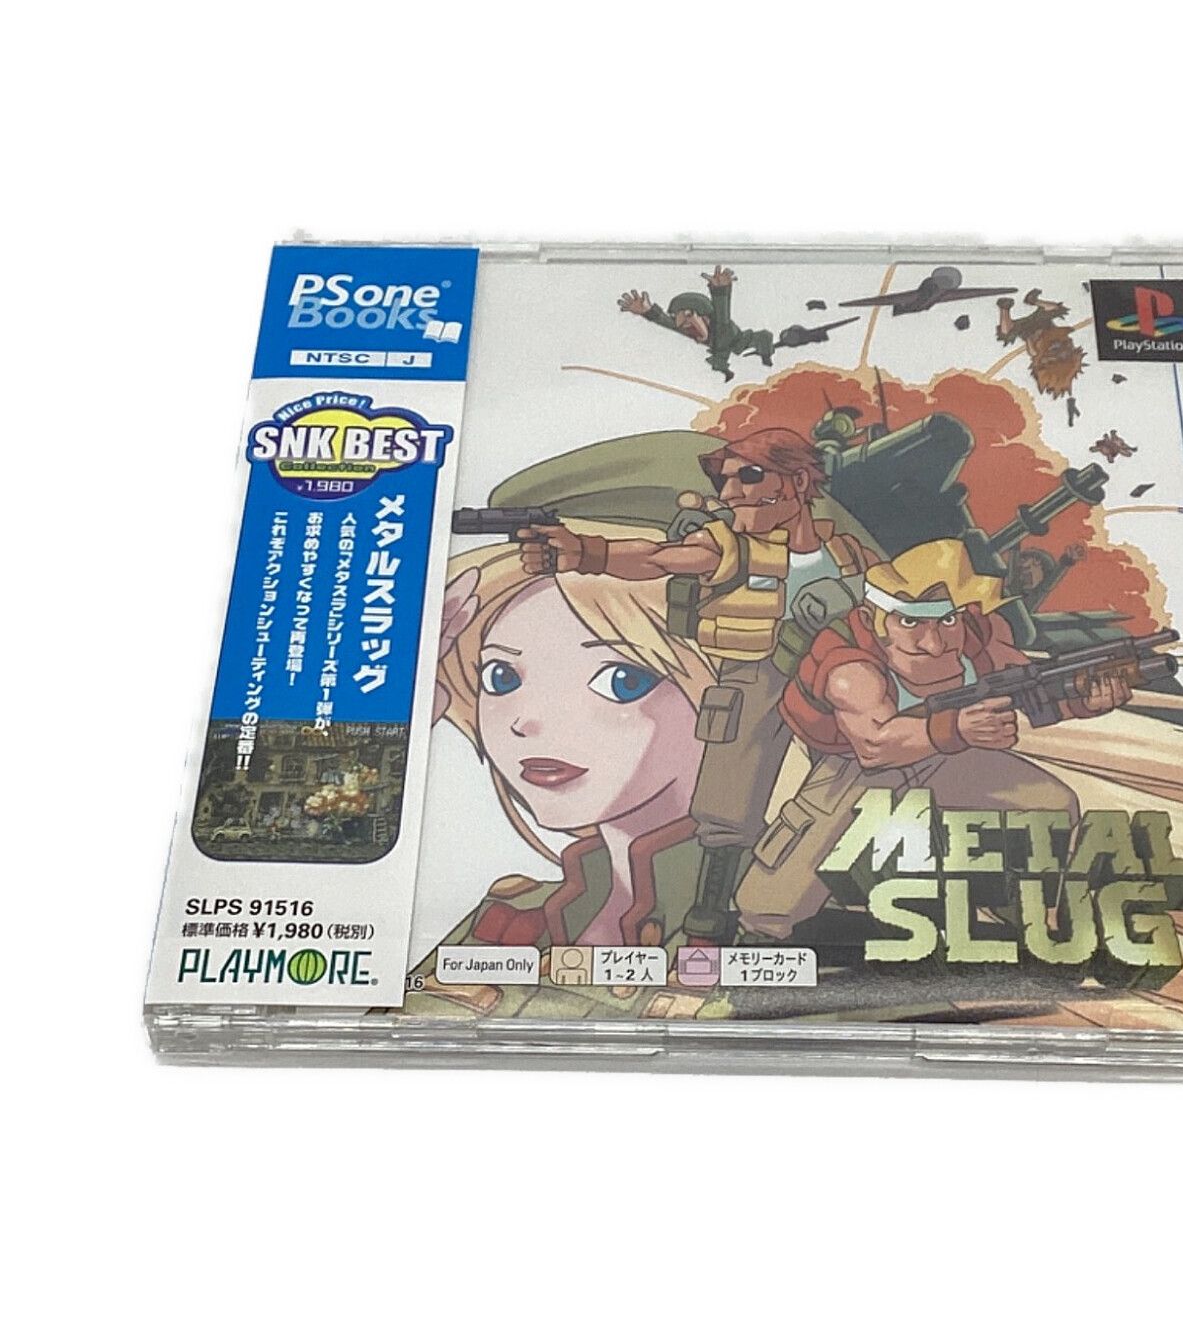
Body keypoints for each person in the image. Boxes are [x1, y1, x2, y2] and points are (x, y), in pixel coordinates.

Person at [517, 427, 874, 942]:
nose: (731, 493)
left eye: (749, 476)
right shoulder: (727, 545)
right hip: (756, 674)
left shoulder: (843, 551)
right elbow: (658, 558)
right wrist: (587, 554)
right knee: (728, 802)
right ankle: (709, 917)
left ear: (797, 481)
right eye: (723, 481)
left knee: (852, 781)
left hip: (835, 679)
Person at [737, 538, 1129, 942]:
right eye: (911, 622)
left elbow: (1028, 685)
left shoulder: (976, 634)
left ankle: (1028, 909)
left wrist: (1082, 700)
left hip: (948, 752)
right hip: (859, 767)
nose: (934, 642)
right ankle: (759, 936)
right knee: (775, 895)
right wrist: (958, 729)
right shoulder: (849, 665)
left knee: (1052, 805)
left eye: (946, 620)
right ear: (876, 618)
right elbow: (875, 745)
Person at [401, 520, 717, 1019]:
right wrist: (386, 730)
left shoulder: (771, 920)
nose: (527, 722)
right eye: (500, 677)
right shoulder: (517, 909)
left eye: (621, 681)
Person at [617, 264, 775, 380]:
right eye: (680, 318)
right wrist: (647, 311)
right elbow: (668, 323)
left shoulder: (720, 325)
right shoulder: (688, 328)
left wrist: (721, 289)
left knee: (763, 339)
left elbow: (722, 310)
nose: (685, 323)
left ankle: (766, 357)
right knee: (719, 362)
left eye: (689, 316)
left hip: (735, 340)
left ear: (705, 318)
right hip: (718, 349)